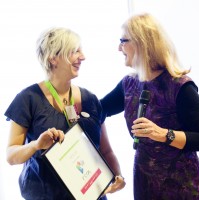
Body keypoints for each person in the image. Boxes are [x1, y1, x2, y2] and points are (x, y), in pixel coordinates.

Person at [100, 13, 199, 200]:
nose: (119, 48)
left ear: (141, 43)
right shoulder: (128, 84)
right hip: (146, 185)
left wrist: (161, 134)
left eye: (123, 41)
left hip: (183, 186)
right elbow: (98, 109)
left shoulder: (180, 86)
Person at [4, 27, 125, 200]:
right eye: (75, 51)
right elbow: (11, 156)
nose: (82, 57)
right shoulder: (28, 99)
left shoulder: (90, 99)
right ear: (53, 58)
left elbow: (106, 151)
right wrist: (35, 145)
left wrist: (117, 177)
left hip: (91, 195)